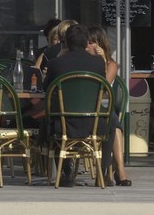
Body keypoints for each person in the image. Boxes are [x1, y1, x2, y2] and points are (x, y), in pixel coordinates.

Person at [42, 22, 108, 184]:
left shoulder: (56, 64)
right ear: (87, 43)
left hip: (63, 124)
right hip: (93, 123)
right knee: (112, 121)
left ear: (66, 43)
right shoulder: (98, 63)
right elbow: (104, 88)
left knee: (48, 118)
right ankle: (104, 173)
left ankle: (65, 172)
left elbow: (46, 89)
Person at [87, 26, 131, 186]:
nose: (88, 46)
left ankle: (120, 170)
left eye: (92, 42)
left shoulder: (111, 64)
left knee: (112, 120)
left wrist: (103, 60)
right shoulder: (84, 63)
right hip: (90, 109)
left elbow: (104, 86)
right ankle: (117, 172)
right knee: (114, 123)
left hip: (103, 107)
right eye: (87, 42)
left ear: (100, 44)